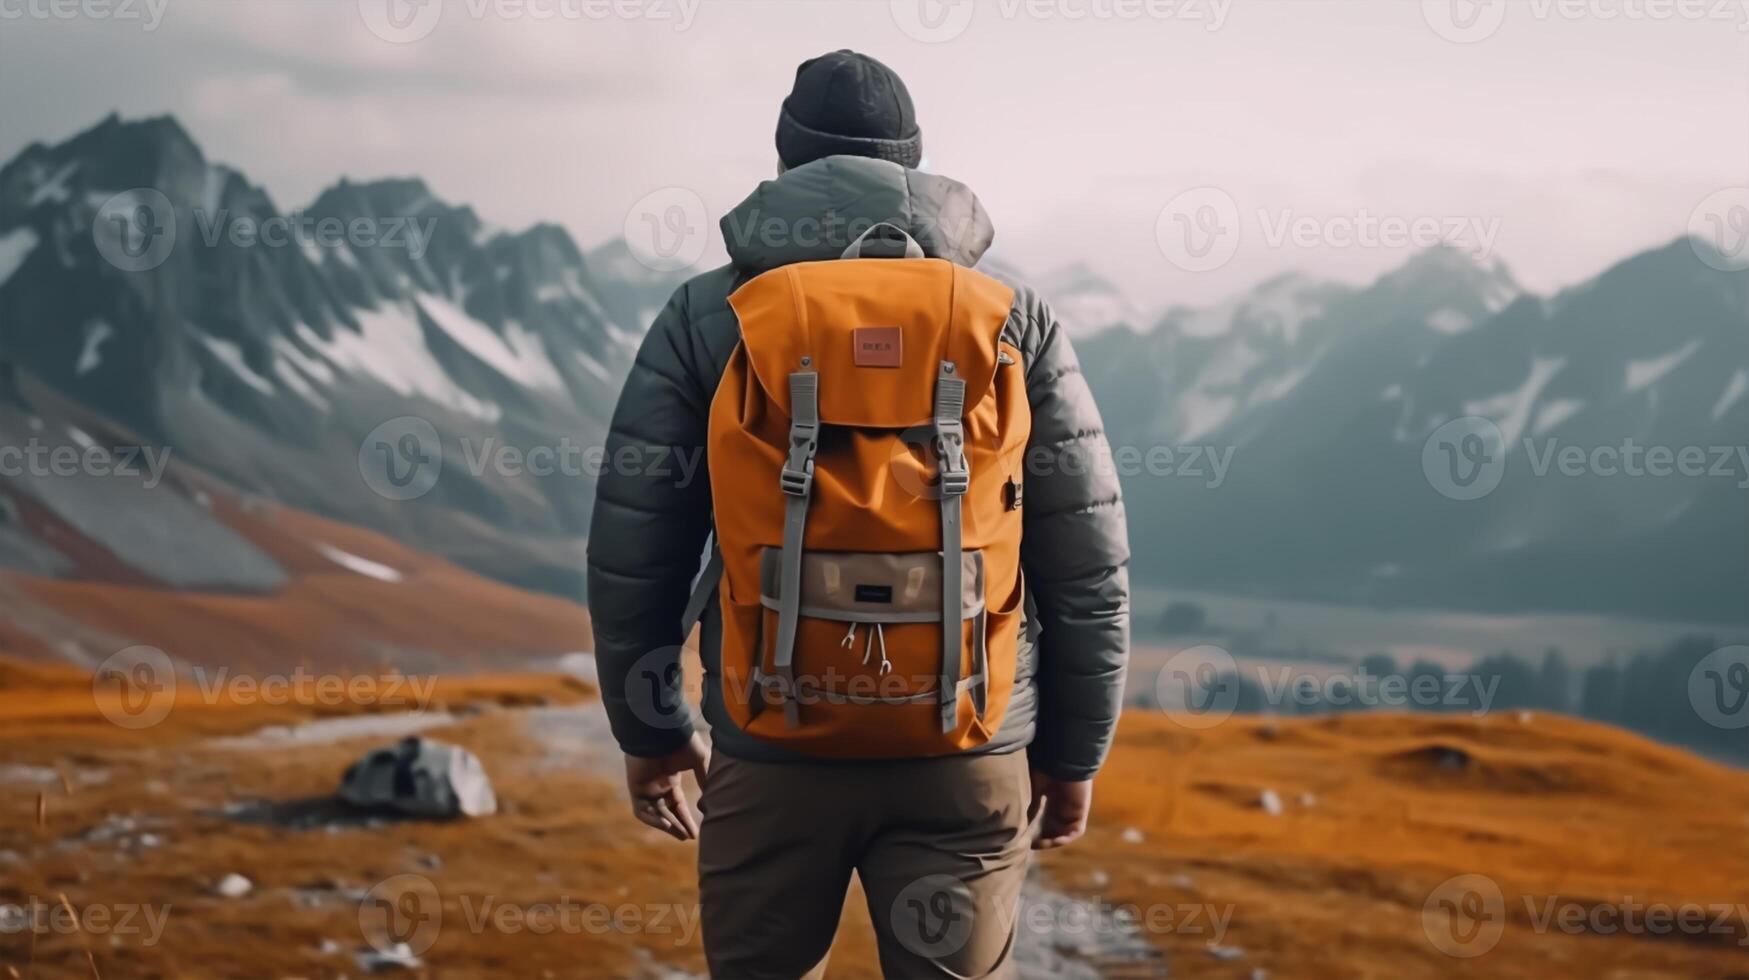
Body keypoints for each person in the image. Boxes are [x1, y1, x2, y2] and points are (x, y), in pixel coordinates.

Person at [587, 49, 1130, 979]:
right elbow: (1085, 567)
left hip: (771, 742)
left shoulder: (707, 316)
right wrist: (1073, 756)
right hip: (967, 740)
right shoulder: (1012, 320)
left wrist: (652, 734)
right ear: (915, 164)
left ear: (786, 158)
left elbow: (638, 551)